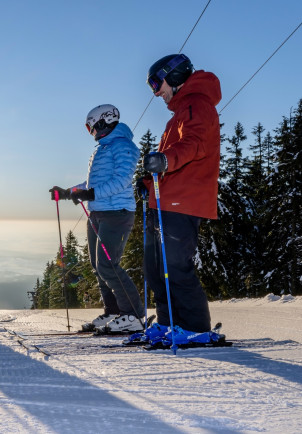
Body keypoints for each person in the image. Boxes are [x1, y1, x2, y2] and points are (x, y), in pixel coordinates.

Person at [140, 53, 221, 344]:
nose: (156, 91)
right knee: (155, 266)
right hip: (164, 199)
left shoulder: (197, 105)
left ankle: (196, 327)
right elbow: (171, 156)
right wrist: (149, 182)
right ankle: (169, 322)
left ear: (174, 76)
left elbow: (194, 145)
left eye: (157, 83)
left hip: (183, 200)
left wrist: (164, 160)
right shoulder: (179, 113)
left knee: (175, 264)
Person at [51, 104, 144, 333]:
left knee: (108, 264)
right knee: (98, 265)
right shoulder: (102, 149)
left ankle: (133, 315)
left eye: (90, 126)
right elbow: (90, 185)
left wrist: (90, 194)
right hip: (98, 213)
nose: (90, 131)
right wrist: (67, 193)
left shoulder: (123, 146)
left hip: (117, 212)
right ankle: (113, 312)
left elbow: (122, 180)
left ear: (103, 121)